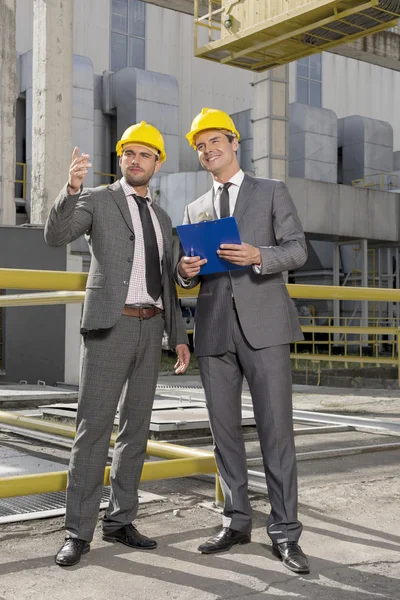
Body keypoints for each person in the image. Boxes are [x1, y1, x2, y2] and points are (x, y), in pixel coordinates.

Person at [45, 121, 190, 567]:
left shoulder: (164, 219)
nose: (136, 160)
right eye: (129, 153)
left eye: (145, 154)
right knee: (92, 430)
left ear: (158, 163)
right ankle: (77, 531)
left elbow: (169, 282)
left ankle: (121, 519)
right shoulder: (98, 199)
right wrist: (70, 188)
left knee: (136, 431)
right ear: (120, 159)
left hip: (152, 328)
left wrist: (180, 338)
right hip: (111, 326)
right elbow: (56, 235)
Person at [176, 108, 309, 574]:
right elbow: (188, 276)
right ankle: (236, 520)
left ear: (235, 144)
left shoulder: (271, 192)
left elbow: (297, 249)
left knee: (277, 433)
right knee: (224, 434)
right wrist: (184, 272)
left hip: (266, 327)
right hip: (214, 332)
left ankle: (286, 532)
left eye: (216, 141)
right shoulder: (194, 210)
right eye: (200, 145)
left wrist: (259, 255)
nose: (208, 150)